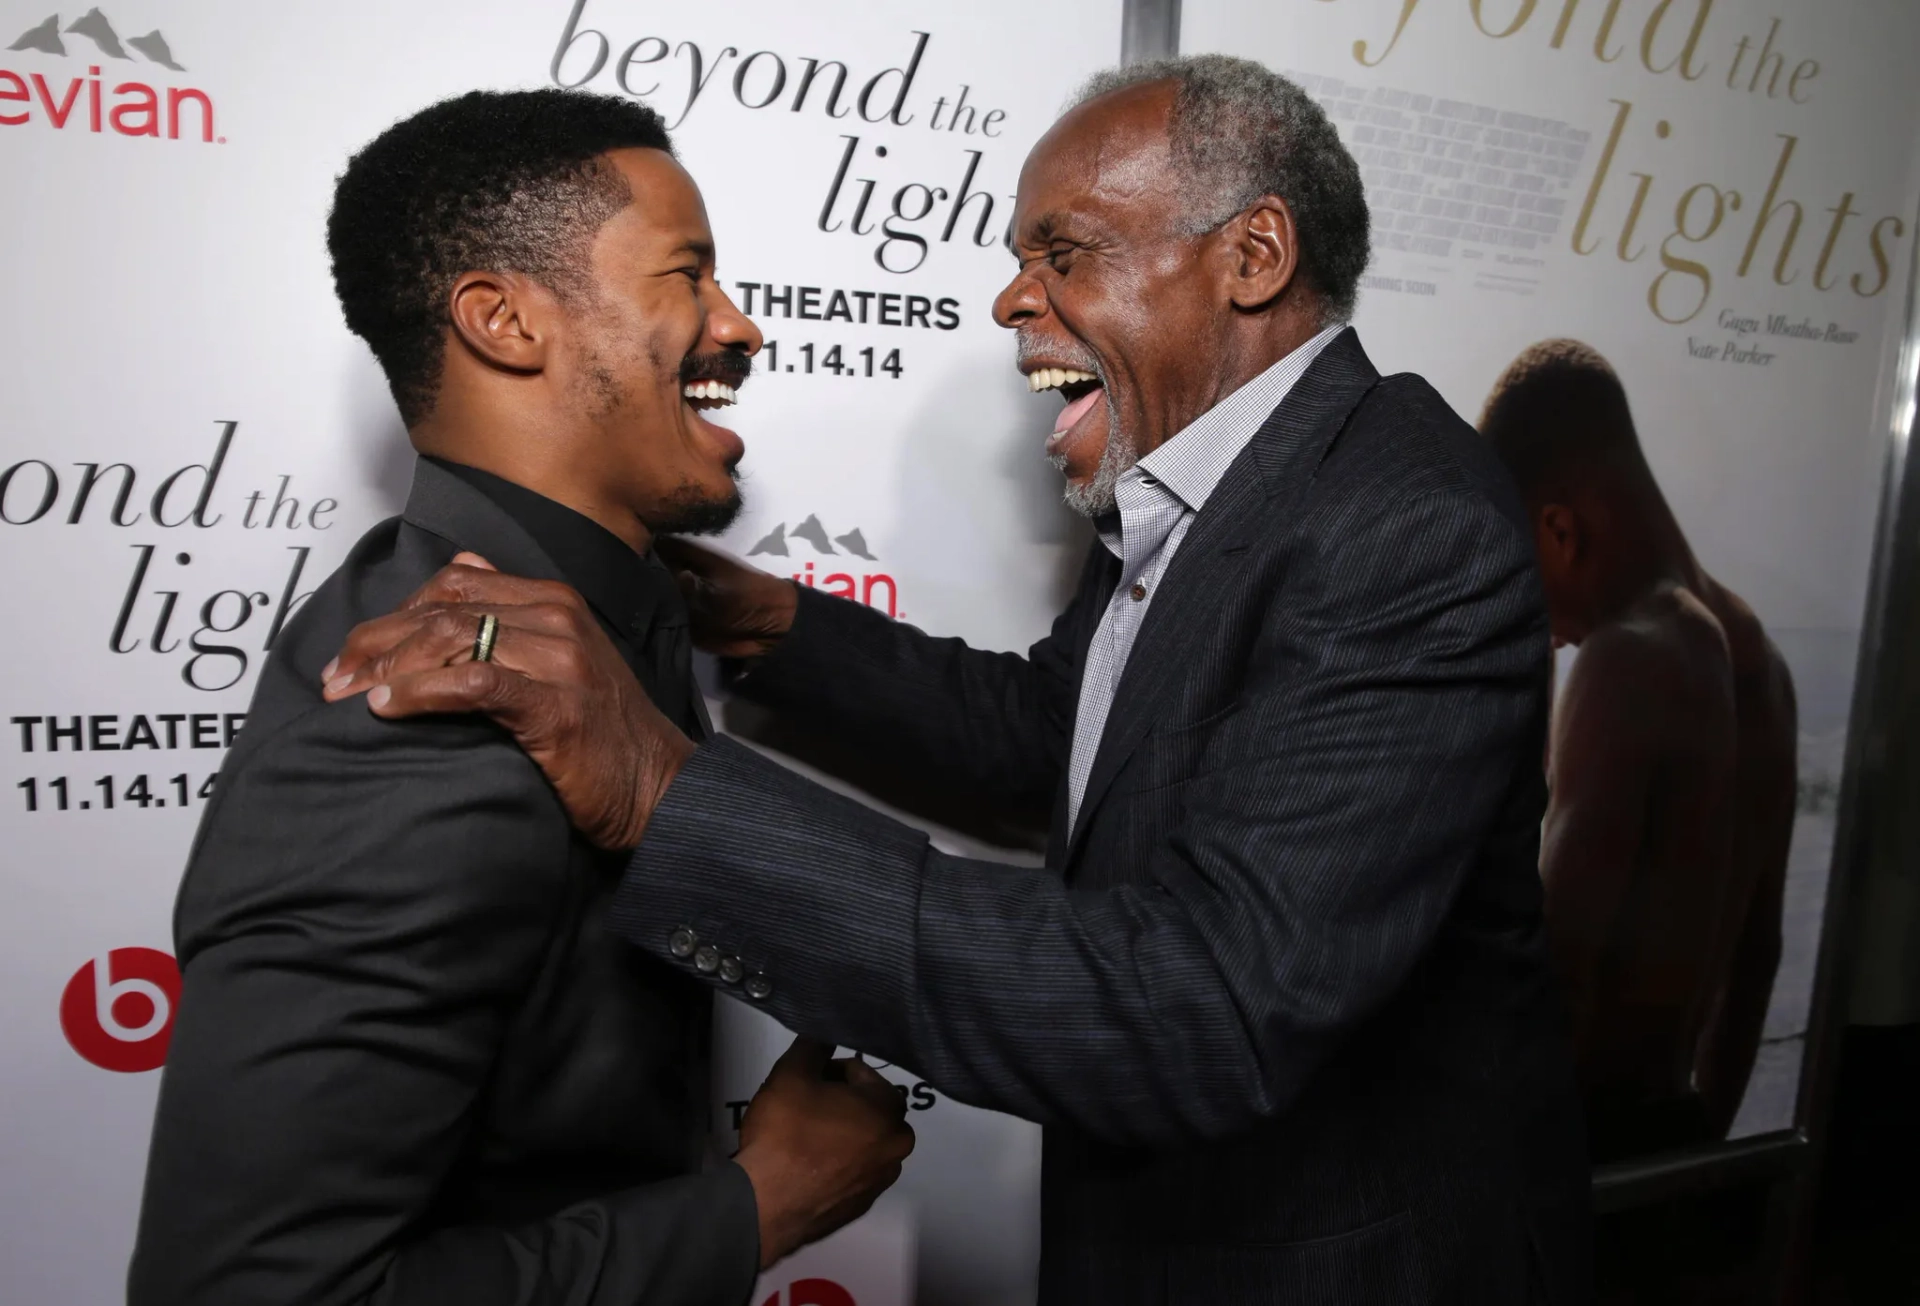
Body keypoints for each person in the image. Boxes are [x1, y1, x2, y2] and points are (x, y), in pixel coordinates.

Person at [324, 58, 1593, 1303]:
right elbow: (1063, 740)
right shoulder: (1196, 486)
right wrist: (769, 620)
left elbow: (1202, 1005)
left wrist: (666, 790)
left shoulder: (1401, 522)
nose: (1010, 301)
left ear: (1251, 258)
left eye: (1064, 254)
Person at [127, 90, 912, 1306]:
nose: (741, 326)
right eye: (688, 277)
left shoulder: (595, 618)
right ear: (504, 321)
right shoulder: (431, 708)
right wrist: (751, 1211)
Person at [1478, 339, 1798, 1162]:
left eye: (1523, 578)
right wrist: (1698, 1166)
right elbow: (1758, 957)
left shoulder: (1631, 656)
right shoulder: (1762, 663)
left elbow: (1559, 970)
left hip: (1579, 1148)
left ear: (1559, 528)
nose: (1543, 638)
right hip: (1676, 1137)